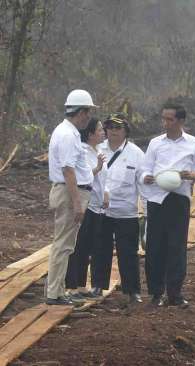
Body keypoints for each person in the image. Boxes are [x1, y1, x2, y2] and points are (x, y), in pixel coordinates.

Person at [141, 103, 195, 307]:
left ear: (181, 121)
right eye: (164, 119)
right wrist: (147, 177)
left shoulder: (193, 143)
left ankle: (175, 293)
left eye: (170, 119)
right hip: (157, 198)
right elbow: (144, 169)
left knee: (177, 246)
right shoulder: (155, 143)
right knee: (154, 245)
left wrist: (192, 175)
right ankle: (156, 293)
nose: (165, 123)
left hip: (179, 198)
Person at [46, 89, 97, 305]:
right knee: (63, 244)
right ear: (81, 111)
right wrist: (77, 202)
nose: (89, 117)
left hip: (71, 191)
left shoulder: (69, 132)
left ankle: (57, 291)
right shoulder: (67, 135)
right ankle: (54, 293)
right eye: (88, 112)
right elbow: (68, 170)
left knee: (66, 244)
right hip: (69, 193)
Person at [96, 113, 145, 303]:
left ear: (126, 131)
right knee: (101, 249)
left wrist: (146, 211)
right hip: (102, 210)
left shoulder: (136, 153)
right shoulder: (97, 149)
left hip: (127, 211)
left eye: (118, 128)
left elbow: (143, 183)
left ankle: (132, 290)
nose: (113, 132)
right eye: (110, 128)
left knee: (128, 252)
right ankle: (98, 286)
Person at [64, 118, 106, 300]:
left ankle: (81, 285)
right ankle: (71, 286)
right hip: (85, 202)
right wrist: (96, 168)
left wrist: (106, 193)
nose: (103, 132)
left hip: (97, 205)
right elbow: (82, 177)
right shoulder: (82, 150)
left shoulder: (100, 150)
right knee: (77, 245)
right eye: (100, 129)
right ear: (90, 134)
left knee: (88, 246)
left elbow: (105, 178)